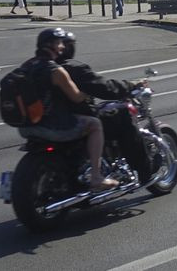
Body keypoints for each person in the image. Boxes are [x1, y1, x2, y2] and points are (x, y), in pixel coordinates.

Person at [43, 26, 151, 180]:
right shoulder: (72, 68)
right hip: (74, 120)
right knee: (124, 114)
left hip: (45, 123)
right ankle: (144, 171)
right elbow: (105, 88)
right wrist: (131, 85)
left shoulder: (39, 67)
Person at [16, 29, 117, 191]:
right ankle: (96, 177)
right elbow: (76, 97)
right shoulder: (55, 70)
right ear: (51, 45)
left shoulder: (26, 67)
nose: (62, 47)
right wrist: (88, 89)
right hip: (51, 126)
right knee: (95, 124)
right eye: (59, 43)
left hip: (27, 126)